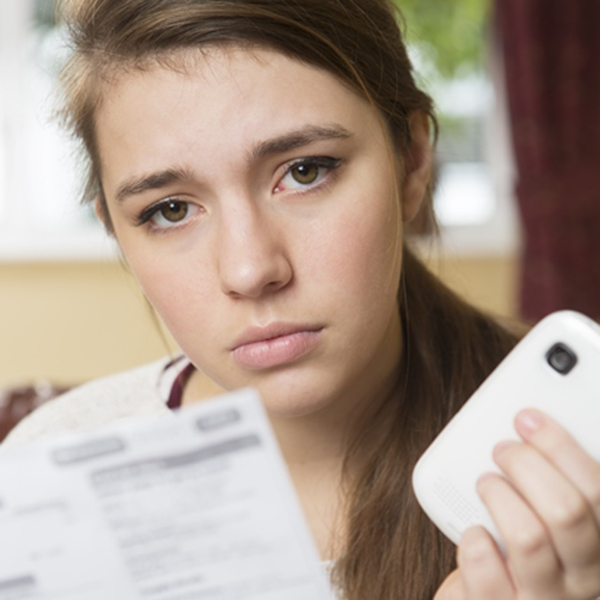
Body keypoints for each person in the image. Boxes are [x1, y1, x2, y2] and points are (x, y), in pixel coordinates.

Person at [5, 0, 600, 598]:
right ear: (116, 232)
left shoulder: (579, 466)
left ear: (412, 162)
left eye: (306, 171)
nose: (250, 269)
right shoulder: (47, 474)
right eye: (171, 210)